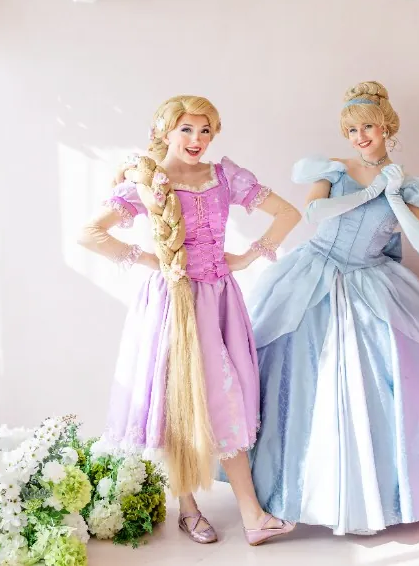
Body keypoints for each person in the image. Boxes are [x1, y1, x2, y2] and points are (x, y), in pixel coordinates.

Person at [247, 81, 419, 535]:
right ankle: (290, 492)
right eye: (351, 130)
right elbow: (314, 215)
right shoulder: (334, 170)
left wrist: (395, 195)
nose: (360, 137)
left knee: (381, 381)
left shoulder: (410, 186)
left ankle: (381, 497)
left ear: (387, 126)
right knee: (301, 377)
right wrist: (371, 194)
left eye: (367, 127)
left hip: (372, 281)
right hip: (315, 276)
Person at [78, 95, 300, 546]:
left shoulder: (223, 178)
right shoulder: (148, 182)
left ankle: (252, 515)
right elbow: (89, 233)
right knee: (177, 401)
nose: (197, 140)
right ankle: (189, 508)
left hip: (218, 300)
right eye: (187, 130)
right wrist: (153, 261)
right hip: (169, 303)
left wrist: (245, 257)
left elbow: (288, 213)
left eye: (205, 131)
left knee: (225, 397)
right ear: (165, 131)